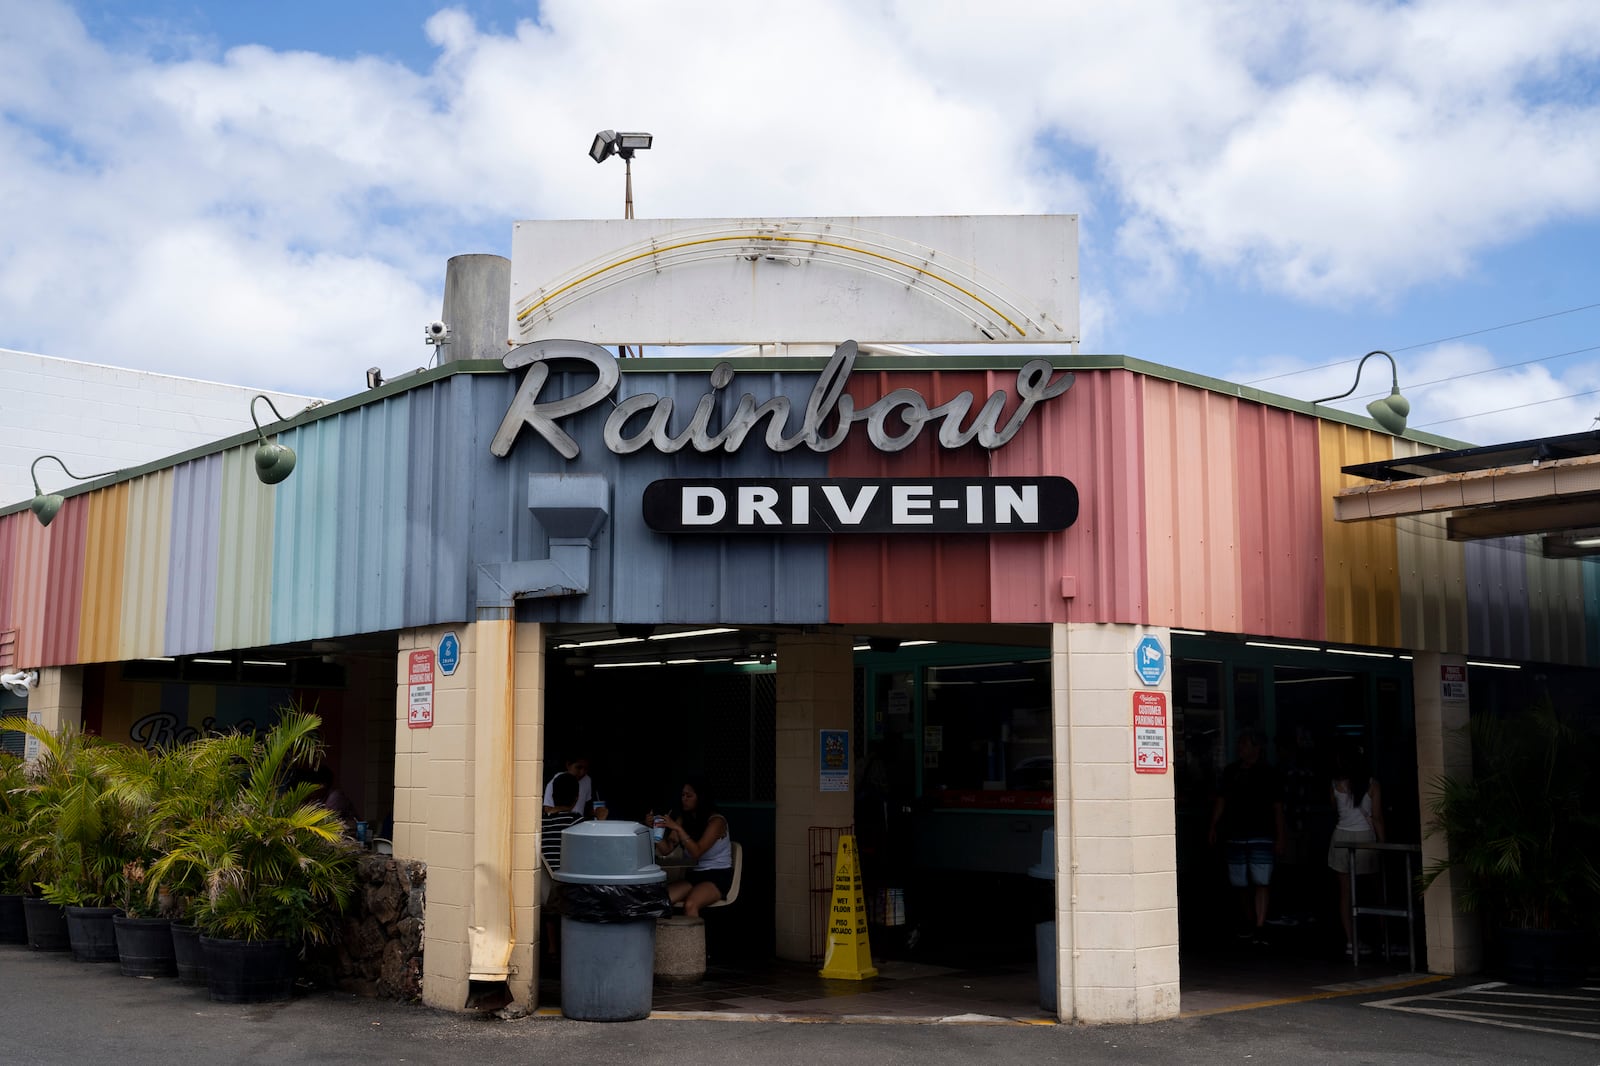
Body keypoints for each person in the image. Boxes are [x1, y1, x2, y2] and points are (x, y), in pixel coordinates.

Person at [1208, 728, 1287, 946]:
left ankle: (1260, 925)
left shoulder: (1269, 774)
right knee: (1240, 882)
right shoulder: (1231, 772)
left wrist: (1281, 837)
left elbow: (1278, 808)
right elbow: (1221, 800)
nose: (1240, 748)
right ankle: (1249, 921)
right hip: (1235, 834)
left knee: (1262, 881)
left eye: (1244, 744)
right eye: (1239, 744)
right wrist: (1213, 825)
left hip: (1262, 834)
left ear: (1256, 747)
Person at [1328, 743, 1385, 957]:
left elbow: (1335, 809)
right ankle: (1382, 937)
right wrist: (1383, 843)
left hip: (1341, 838)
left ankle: (1351, 941)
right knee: (1375, 890)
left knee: (1345, 893)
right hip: (1365, 839)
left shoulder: (1335, 784)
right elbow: (1378, 817)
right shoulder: (1372, 785)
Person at [653, 779, 732, 918]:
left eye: (689, 796)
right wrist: (654, 829)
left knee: (691, 904)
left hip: (717, 875)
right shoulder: (683, 819)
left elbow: (697, 852)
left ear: (701, 798)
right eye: (683, 795)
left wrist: (677, 828)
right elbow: (666, 850)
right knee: (659, 900)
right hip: (695, 875)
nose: (684, 799)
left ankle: (692, 940)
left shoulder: (716, 821)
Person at [541, 772, 586, 872]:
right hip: (566, 881)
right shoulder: (577, 823)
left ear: (552, 796)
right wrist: (601, 820)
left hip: (543, 880)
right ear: (577, 798)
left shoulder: (540, 822)